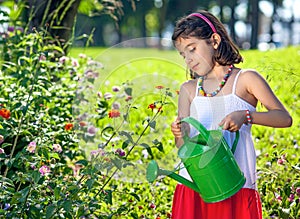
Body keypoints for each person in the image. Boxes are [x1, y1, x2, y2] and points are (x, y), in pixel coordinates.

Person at [170, 10, 292, 219]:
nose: (188, 59)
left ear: (214, 40)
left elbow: (284, 118)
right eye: (183, 54)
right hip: (197, 187)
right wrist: (179, 134)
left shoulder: (246, 80)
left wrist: (246, 116)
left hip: (236, 184)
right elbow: (184, 148)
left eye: (192, 49)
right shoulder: (189, 89)